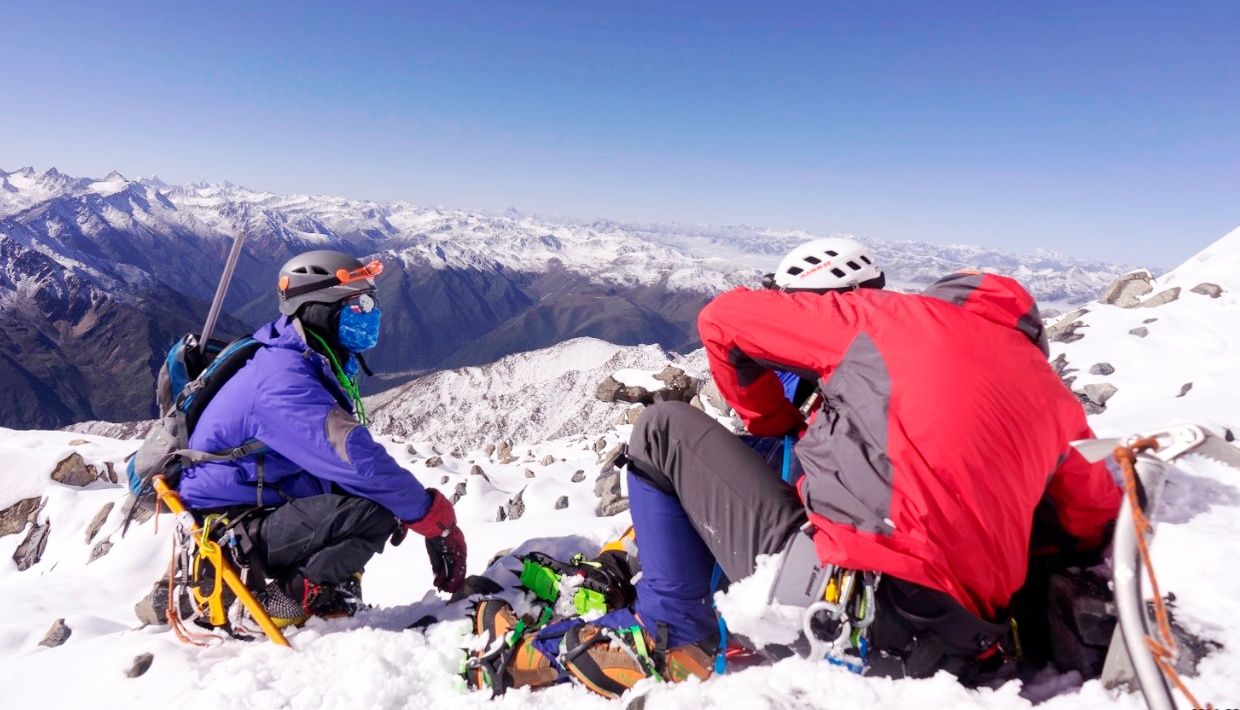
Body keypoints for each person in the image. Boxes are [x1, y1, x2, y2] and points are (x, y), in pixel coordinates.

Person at [468, 236, 1121, 695]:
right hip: (960, 646)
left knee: (662, 429)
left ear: (937, 302)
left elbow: (720, 317)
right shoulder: (1055, 399)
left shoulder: (899, 321)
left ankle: (673, 637)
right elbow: (1092, 517)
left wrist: (769, 419)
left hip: (850, 608)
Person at [137, 249, 467, 629]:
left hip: (251, 503)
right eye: (358, 303)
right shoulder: (283, 381)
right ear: (316, 309)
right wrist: (433, 518)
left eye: (371, 301)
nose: (370, 313)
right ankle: (277, 605)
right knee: (372, 511)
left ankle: (326, 592)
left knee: (374, 500)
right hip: (230, 527)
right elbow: (354, 458)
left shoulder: (303, 356)